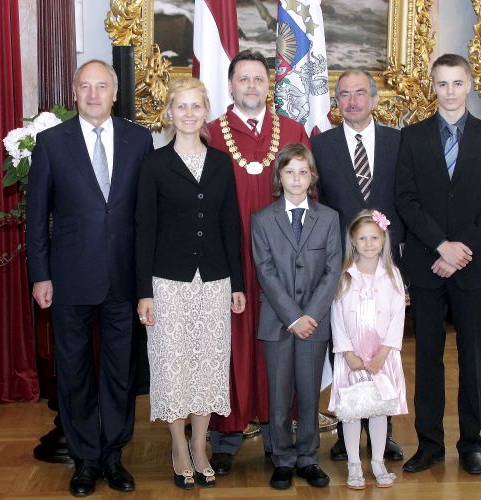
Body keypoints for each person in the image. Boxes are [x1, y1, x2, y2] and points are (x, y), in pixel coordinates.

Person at [26, 59, 154, 496]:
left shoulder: (139, 140)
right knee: (74, 371)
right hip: (69, 278)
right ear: (75, 92)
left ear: (115, 94)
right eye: (86, 86)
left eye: (102, 86)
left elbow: (146, 216)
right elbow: (36, 217)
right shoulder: (51, 143)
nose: (94, 94)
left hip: (123, 277)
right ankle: (84, 460)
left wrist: (147, 283)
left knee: (120, 372)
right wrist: (40, 275)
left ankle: (113, 456)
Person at [395, 53, 481, 475]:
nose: (449, 92)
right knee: (427, 358)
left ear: (469, 84)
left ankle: (471, 445)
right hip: (427, 264)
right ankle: (429, 445)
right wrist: (441, 246)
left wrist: (460, 251)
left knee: (470, 358)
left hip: (472, 267)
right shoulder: (413, 137)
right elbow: (406, 199)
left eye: (457, 83)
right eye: (442, 83)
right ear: (433, 86)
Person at [135, 78, 245, 490]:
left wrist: (237, 283)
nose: (188, 113)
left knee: (207, 364)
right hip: (167, 284)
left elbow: (230, 225)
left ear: (206, 112)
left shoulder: (221, 163)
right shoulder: (154, 164)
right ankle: (178, 446)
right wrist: (143, 292)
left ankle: (200, 444)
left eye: (195, 106)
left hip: (214, 282)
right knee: (173, 364)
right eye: (181, 106)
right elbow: (144, 230)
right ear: (169, 112)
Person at [205, 49, 311, 475]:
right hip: (227, 261)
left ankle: (277, 436)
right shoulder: (210, 133)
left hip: (282, 265)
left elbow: (311, 200)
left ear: (270, 85)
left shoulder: (293, 131)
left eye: (259, 79)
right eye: (243, 78)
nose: (251, 85)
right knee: (227, 346)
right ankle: (225, 437)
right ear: (230, 85)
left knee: (278, 346)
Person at [311, 69, 405, 462]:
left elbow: (406, 197)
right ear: (337, 102)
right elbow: (316, 201)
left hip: (386, 260)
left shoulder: (398, 142)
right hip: (342, 263)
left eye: (360, 93)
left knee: (383, 346)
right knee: (346, 345)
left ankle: (384, 433)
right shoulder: (321, 145)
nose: (352, 101)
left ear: (375, 99)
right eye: (345, 94)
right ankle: (347, 429)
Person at [251, 143, 342, 489]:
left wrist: (311, 315)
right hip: (279, 322)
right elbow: (266, 272)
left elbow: (332, 271)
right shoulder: (262, 220)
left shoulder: (329, 218)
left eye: (303, 172)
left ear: (312, 177)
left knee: (308, 392)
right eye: (289, 172)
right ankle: (282, 458)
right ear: (279, 177)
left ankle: (308, 457)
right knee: (279, 395)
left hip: (314, 324)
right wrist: (293, 317)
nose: (296, 178)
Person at [328, 209, 408, 490]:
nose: (369, 243)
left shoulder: (392, 275)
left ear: (383, 239)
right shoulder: (344, 276)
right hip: (352, 357)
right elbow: (336, 318)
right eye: (362, 238)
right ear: (352, 241)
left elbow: (398, 317)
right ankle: (353, 464)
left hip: (381, 357)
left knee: (378, 410)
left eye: (374, 237)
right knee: (352, 410)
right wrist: (348, 353)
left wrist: (384, 353)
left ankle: (377, 461)